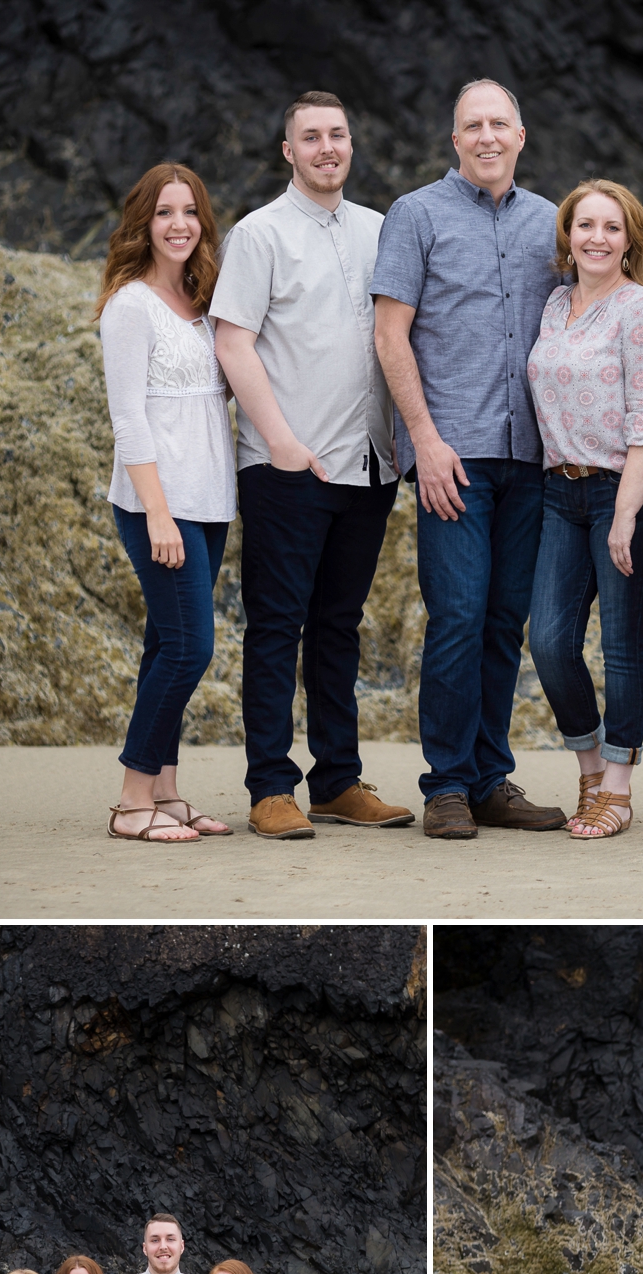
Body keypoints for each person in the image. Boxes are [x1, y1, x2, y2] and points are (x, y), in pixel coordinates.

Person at [212, 90, 412, 840]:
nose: (327, 147)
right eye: (311, 137)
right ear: (288, 151)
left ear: (351, 144)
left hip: (368, 467)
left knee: (339, 627)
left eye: (338, 134)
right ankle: (270, 786)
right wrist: (282, 442)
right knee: (275, 626)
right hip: (286, 468)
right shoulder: (258, 234)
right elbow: (232, 342)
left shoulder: (382, 230)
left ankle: (336, 781)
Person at [372, 79, 567, 842]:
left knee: (503, 622)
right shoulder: (415, 215)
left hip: (532, 459)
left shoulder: (552, 222)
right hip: (452, 457)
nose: (487, 136)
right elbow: (390, 334)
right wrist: (423, 439)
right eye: (472, 125)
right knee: (456, 616)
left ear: (521, 135)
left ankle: (490, 780)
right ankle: (447, 785)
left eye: (499, 123)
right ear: (455, 140)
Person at [525, 179, 643, 839]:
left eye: (612, 227)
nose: (596, 238)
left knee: (622, 642)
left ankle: (617, 788)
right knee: (549, 641)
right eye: (585, 225)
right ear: (568, 235)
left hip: (624, 492)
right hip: (559, 491)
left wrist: (627, 513)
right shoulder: (555, 304)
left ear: (630, 240)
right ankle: (590, 769)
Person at [96, 162, 237, 842]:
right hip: (159, 504)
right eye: (163, 213)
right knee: (189, 648)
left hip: (209, 502)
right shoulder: (130, 306)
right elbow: (128, 419)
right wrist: (157, 512)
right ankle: (131, 802)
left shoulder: (204, 301)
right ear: (142, 223)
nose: (179, 225)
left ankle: (166, 791)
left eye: (189, 212)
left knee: (164, 646)